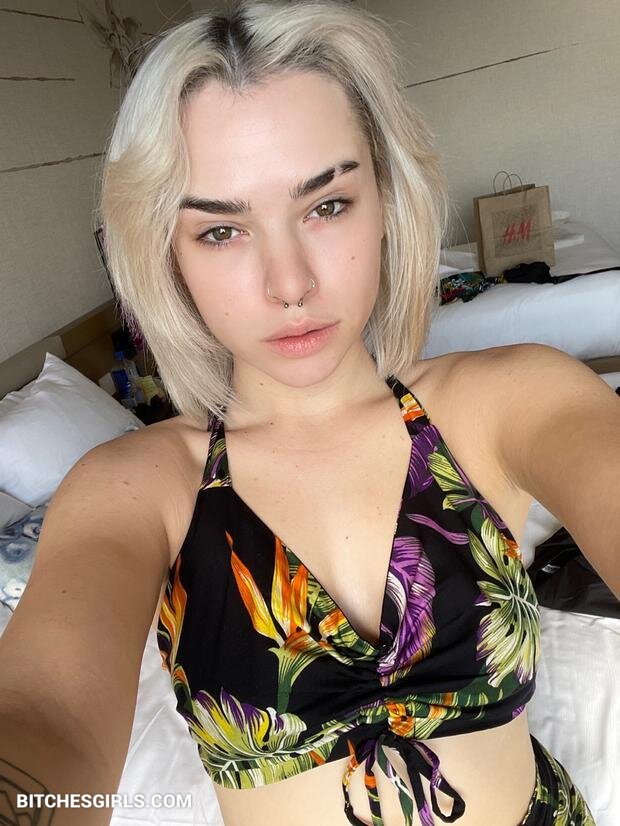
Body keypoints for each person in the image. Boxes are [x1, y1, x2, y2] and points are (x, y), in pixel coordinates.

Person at [0, 1, 616, 824]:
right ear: (168, 255)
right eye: (221, 232)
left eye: (326, 205)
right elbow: (46, 722)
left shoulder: (512, 398)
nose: (289, 284)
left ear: (386, 198)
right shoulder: (135, 487)